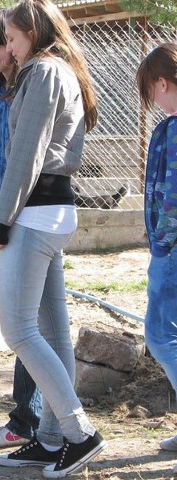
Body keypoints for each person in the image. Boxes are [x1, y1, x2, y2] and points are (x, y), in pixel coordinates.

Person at [0, 0, 106, 477]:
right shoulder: (56, 69)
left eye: (12, 39)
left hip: (34, 213)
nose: (9, 49)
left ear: (32, 33)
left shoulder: (42, 71)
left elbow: (26, 155)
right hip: (50, 212)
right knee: (53, 332)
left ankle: (79, 434)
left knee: (17, 330)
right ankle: (53, 436)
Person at [0, 9, 42, 450]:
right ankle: (31, 418)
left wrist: (5, 219)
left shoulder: (30, 85)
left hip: (28, 215)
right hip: (6, 213)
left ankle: (28, 420)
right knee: (18, 320)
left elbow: (25, 159)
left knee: (25, 323)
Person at [136, 43, 177, 474]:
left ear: (161, 83)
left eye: (152, 91)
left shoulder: (174, 129)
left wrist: (162, 244)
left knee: (161, 336)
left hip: (172, 249)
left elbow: (172, 198)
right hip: (167, 246)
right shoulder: (167, 128)